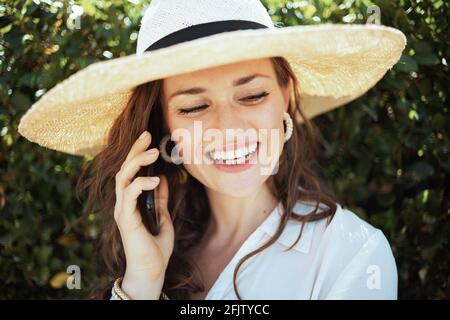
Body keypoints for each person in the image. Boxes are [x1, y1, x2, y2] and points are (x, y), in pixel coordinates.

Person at [18, 0, 406, 300]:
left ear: (286, 97)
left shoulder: (349, 254)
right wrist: (141, 282)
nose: (228, 128)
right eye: (193, 107)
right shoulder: (151, 250)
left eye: (253, 95)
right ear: (163, 124)